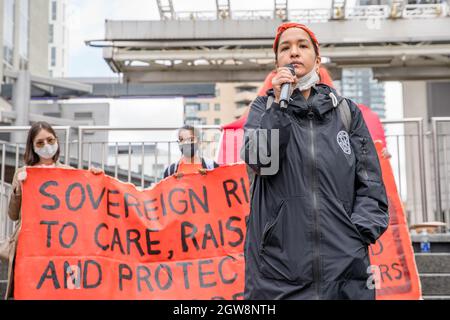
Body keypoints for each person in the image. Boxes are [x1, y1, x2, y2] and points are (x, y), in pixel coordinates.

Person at [241, 22, 389, 300]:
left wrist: (356, 237)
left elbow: (370, 183)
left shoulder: (346, 113)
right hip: (278, 272)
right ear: (277, 64)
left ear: (317, 60)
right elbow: (261, 161)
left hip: (345, 270)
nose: (293, 53)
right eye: (285, 48)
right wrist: (277, 106)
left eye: (302, 46)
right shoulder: (263, 108)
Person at [3, 121, 102, 299]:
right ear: (32, 147)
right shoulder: (23, 173)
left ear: (56, 141)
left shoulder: (71, 173)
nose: (46, 146)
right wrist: (19, 189)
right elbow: (12, 214)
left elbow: (84, 210)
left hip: (63, 245)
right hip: (32, 246)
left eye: (50, 140)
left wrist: (93, 178)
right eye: (40, 143)